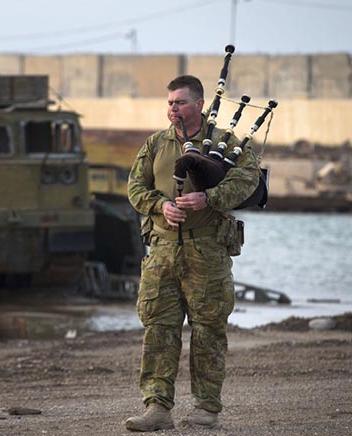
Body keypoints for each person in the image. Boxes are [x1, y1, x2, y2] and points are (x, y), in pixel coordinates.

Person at [125, 75, 261, 431]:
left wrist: (209, 198)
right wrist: (160, 206)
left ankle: (206, 408)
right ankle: (157, 407)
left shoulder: (225, 144)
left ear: (199, 105)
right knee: (158, 328)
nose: (173, 108)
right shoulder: (156, 144)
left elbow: (248, 181)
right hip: (163, 251)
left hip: (208, 251)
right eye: (170, 102)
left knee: (208, 331)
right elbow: (135, 188)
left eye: (181, 102)